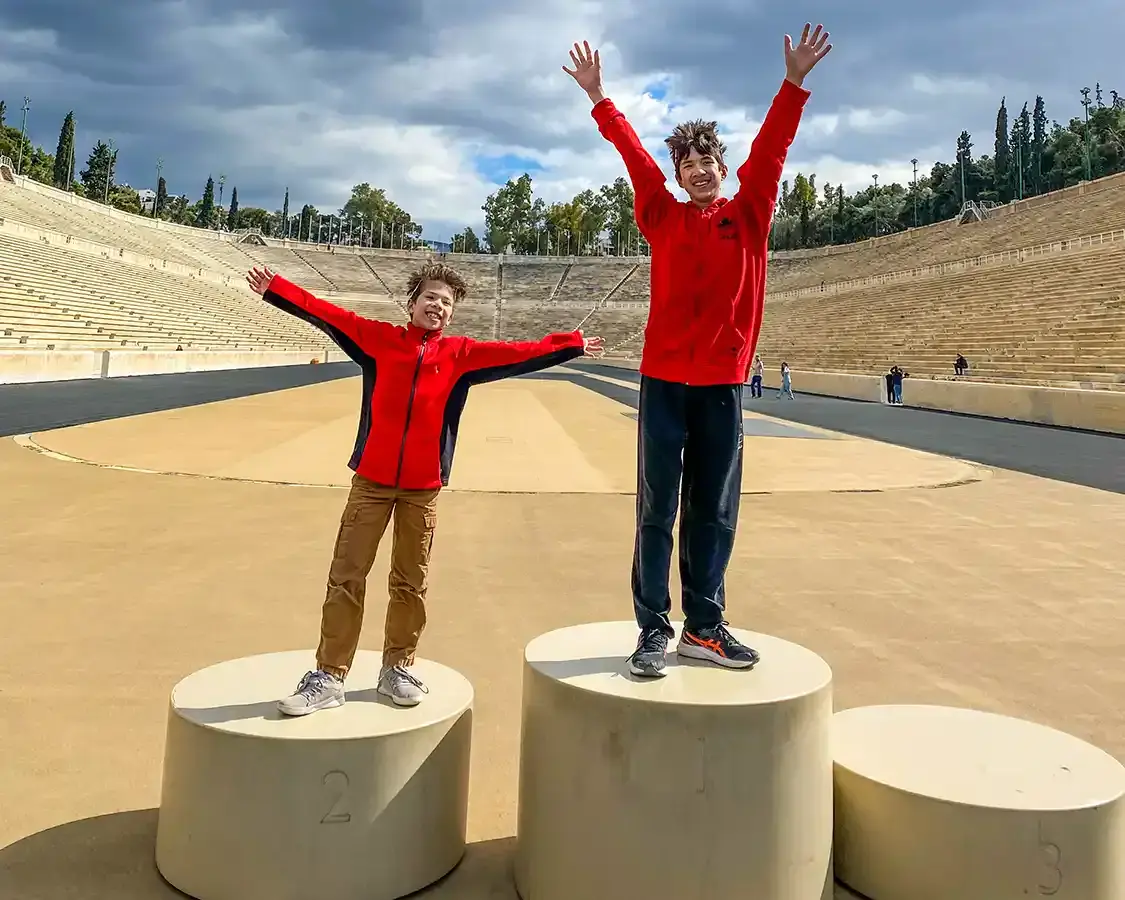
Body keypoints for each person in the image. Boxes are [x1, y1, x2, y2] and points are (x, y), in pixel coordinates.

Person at [563, 24, 832, 678]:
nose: (700, 170)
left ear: (722, 167)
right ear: (680, 176)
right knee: (657, 508)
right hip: (662, 383)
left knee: (712, 510)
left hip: (720, 385)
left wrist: (793, 84)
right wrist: (600, 98)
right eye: (688, 164)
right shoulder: (662, 215)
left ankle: (704, 627)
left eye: (708, 161)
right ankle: (653, 629)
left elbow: (772, 150)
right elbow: (632, 155)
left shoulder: (751, 214)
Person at [244, 262, 604, 713]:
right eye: (430, 297)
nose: (438, 305)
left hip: (422, 487)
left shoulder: (461, 355)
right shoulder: (377, 340)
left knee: (410, 582)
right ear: (411, 303)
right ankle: (329, 675)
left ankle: (397, 668)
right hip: (371, 482)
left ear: (451, 315)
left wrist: (570, 344)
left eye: (446, 302)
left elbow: (518, 352)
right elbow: (329, 314)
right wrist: (276, 288)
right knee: (346, 576)